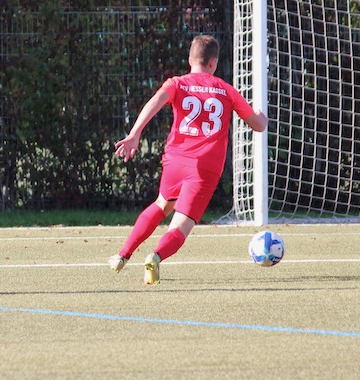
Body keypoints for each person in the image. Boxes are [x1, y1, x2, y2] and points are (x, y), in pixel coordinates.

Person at [109, 35, 268, 284]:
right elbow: (257, 126)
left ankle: (122, 255)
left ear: (189, 60)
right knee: (180, 225)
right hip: (205, 167)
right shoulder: (226, 90)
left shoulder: (178, 83)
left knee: (162, 204)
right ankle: (155, 257)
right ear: (213, 62)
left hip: (175, 161)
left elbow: (156, 101)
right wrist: (262, 118)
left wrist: (135, 133)